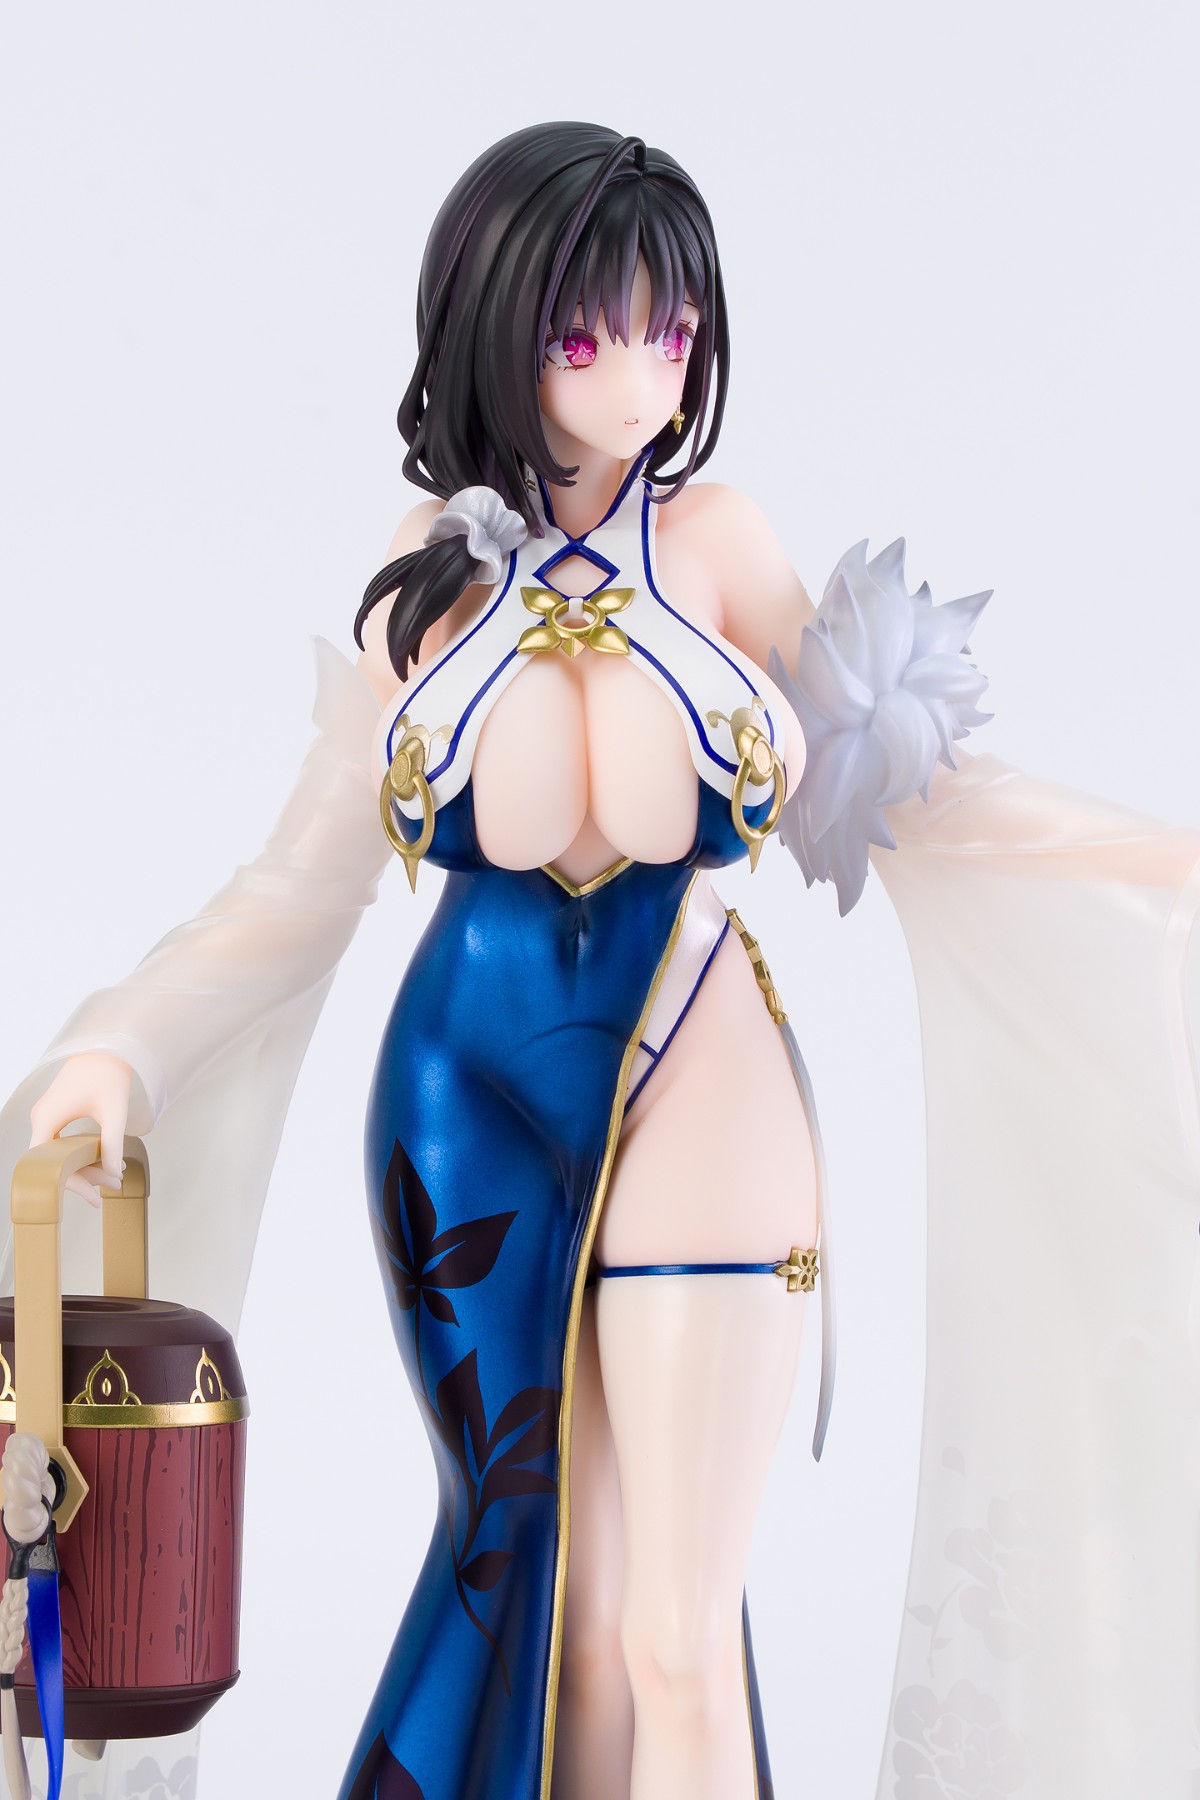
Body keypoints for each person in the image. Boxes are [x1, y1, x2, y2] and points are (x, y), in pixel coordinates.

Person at [2, 122, 1198, 1800]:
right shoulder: (423, 580)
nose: (642, 376)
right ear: (500, 328)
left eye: (673, 330)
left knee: (678, 1627)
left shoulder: (721, 544)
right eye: (589, 334)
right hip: (463, 1102)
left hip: (700, 1063)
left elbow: (922, 788)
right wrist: (126, 1038)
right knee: (534, 1567)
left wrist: (1154, 861)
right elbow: (295, 889)